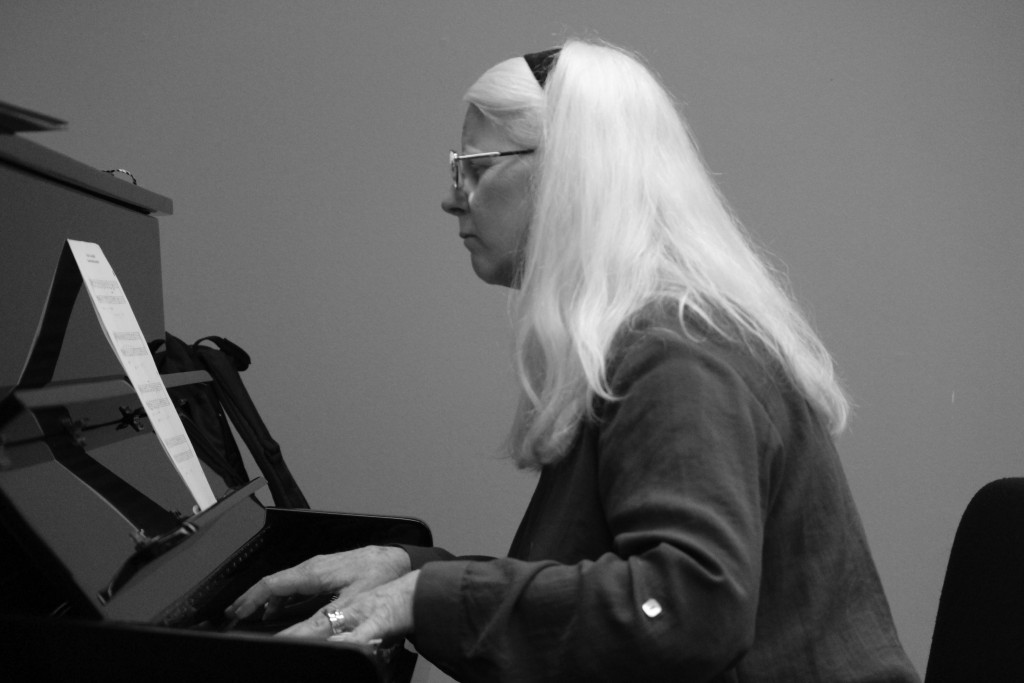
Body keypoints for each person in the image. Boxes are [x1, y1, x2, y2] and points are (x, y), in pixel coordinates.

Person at [226, 40, 920, 682]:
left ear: (565, 174)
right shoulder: (657, 331)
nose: (451, 198)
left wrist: (427, 596)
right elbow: (605, 579)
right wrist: (410, 573)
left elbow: (684, 609)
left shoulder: (677, 354)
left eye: (471, 168)